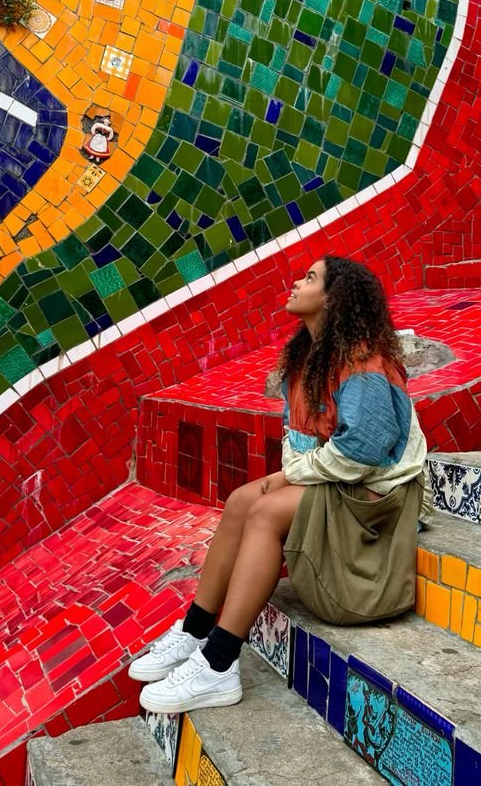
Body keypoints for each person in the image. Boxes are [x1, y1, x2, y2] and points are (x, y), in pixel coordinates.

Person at [131, 256, 430, 714]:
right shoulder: (305, 360)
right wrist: (290, 474)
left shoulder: (363, 362)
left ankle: (219, 663)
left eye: (310, 278)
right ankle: (195, 630)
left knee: (266, 511)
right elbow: (297, 443)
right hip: (338, 481)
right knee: (241, 500)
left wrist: (289, 477)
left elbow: (365, 451)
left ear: (332, 298)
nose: (296, 283)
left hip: (380, 496)